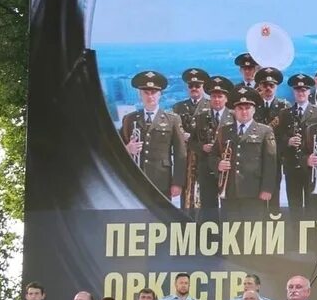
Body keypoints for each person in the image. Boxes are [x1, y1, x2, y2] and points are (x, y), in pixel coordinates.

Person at [119, 70, 190, 202]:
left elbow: (180, 154)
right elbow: (114, 147)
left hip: (162, 181)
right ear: (140, 94)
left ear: (160, 94)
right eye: (146, 92)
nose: (150, 96)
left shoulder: (172, 119)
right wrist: (127, 149)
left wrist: (177, 182)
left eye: (154, 93)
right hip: (136, 179)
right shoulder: (129, 119)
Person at [213, 86, 278, 218]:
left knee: (252, 233)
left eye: (247, 108)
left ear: (253, 110)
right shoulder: (224, 131)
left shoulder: (264, 131)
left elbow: (270, 163)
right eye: (240, 108)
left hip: (254, 191)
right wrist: (218, 164)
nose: (244, 112)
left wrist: (267, 189)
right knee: (229, 231)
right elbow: (212, 155)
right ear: (234, 111)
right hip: (230, 192)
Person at [191, 76, 236, 214]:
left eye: (220, 96)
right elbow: (191, 143)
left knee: (229, 207)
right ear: (209, 98)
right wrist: (202, 147)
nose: (217, 100)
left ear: (226, 99)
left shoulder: (234, 116)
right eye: (214, 96)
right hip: (206, 168)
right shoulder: (200, 117)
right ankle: (211, 235)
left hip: (227, 170)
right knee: (208, 208)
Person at [282, 73, 317, 210]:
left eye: (304, 90)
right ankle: (294, 231)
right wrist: (288, 141)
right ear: (293, 92)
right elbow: (276, 138)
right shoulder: (285, 113)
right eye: (298, 90)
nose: (301, 93)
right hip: (292, 166)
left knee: (313, 207)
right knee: (294, 206)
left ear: (309, 92)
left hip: (311, 167)